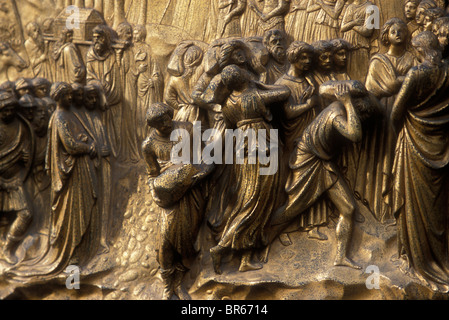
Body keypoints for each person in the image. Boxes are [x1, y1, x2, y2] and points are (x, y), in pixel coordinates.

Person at [269, 80, 381, 269]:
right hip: (308, 160)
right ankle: (260, 237)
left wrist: (350, 87)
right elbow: (355, 135)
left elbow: (324, 88)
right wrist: (347, 101)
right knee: (292, 209)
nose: (365, 118)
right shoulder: (337, 114)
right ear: (358, 108)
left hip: (324, 162)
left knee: (348, 208)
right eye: (365, 113)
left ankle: (340, 257)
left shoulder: (342, 106)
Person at [207, 64, 290, 274]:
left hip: (242, 146)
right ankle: (223, 246)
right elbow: (285, 92)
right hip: (261, 141)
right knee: (257, 200)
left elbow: (229, 124)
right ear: (244, 77)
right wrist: (259, 85)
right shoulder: (253, 96)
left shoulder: (227, 103)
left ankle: (245, 258)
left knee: (249, 197)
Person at [390, 31, 449, 289]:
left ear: (419, 50)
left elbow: (396, 112)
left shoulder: (417, 74)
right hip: (441, 144)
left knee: (413, 202)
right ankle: (442, 257)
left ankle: (417, 259)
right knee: (438, 206)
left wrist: (402, 129)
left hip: (414, 142)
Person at [142, 102, 212, 300]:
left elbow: (207, 156)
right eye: (160, 123)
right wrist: (155, 192)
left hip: (191, 190)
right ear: (153, 125)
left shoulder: (186, 129)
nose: (166, 124)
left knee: (187, 239)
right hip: (169, 193)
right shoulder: (149, 145)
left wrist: (202, 173)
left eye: (167, 119)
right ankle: (167, 286)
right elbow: (151, 174)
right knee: (164, 241)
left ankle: (180, 284)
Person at [361, 18, 416, 222]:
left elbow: (417, 82)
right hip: (382, 113)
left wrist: (402, 83)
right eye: (394, 30)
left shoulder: (412, 58)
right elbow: (378, 88)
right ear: (386, 35)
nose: (399, 33)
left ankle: (400, 209)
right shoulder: (378, 60)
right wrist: (405, 80)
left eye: (402, 30)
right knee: (382, 155)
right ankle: (379, 208)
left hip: (405, 114)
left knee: (400, 157)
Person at [0, 91, 34, 265]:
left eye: (12, 109)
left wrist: (25, 156)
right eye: (5, 110)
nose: (8, 113)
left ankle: (8, 246)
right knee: (3, 217)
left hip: (14, 179)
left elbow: (26, 145)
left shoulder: (21, 126)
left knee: (26, 214)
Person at [86, 24, 122, 159]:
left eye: (99, 38)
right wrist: (99, 88)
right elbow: (89, 78)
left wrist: (107, 90)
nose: (96, 41)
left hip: (111, 98)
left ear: (105, 39)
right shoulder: (90, 55)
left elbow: (116, 82)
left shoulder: (112, 57)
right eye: (94, 38)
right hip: (96, 99)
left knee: (112, 131)